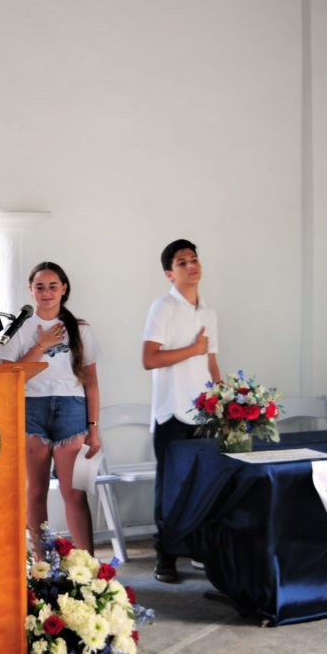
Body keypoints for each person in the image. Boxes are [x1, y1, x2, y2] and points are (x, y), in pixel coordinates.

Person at [0, 262, 102, 555]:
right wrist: (41, 345)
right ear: (30, 290)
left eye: (53, 286)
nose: (46, 292)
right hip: (32, 409)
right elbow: (11, 378)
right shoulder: (19, 328)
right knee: (35, 491)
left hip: (72, 410)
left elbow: (91, 383)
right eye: (39, 287)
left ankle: (88, 566)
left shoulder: (80, 328)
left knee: (74, 492)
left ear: (64, 289)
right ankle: (43, 563)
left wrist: (94, 430)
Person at [142, 238, 221, 583]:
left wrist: (223, 402)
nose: (191, 266)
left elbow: (211, 361)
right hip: (171, 412)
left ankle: (199, 550)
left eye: (194, 259)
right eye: (182, 262)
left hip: (205, 413)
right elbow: (149, 359)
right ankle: (166, 556)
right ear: (169, 273)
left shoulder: (209, 312)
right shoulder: (162, 307)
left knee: (204, 485)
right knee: (171, 487)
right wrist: (193, 349)